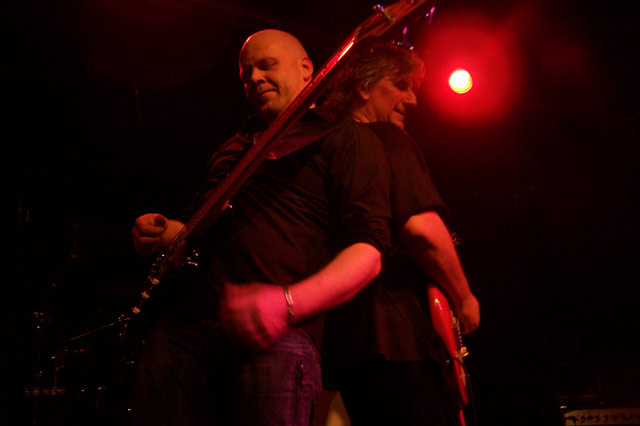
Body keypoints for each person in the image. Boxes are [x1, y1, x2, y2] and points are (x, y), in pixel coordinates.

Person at [128, 29, 394, 426]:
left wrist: (287, 303)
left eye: (267, 65)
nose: (254, 78)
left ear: (306, 68)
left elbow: (369, 253)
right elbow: (195, 232)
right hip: (181, 331)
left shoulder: (346, 138)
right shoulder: (232, 148)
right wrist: (163, 232)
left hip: (276, 337)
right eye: (246, 73)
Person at [318, 41, 481, 426]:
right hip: (398, 336)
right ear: (364, 87)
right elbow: (421, 228)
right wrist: (464, 298)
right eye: (400, 85)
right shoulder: (385, 137)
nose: (412, 100)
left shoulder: (327, 146)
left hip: (345, 343)